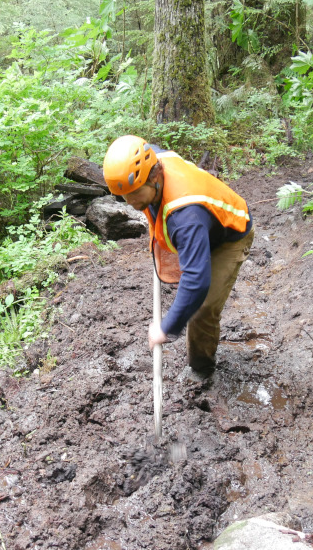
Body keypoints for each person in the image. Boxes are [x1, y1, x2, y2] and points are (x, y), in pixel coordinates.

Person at [102, 135, 254, 382]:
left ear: (154, 177)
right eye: (123, 196)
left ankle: (201, 368)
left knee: (202, 306)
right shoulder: (149, 159)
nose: (129, 203)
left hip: (230, 233)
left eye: (134, 193)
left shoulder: (185, 218)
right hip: (202, 225)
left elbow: (196, 281)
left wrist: (166, 327)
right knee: (189, 276)